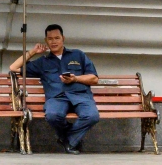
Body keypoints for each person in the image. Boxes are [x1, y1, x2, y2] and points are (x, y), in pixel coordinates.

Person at [10, 24, 99, 155]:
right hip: (56, 98)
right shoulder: (43, 62)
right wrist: (33, 52)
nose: (54, 41)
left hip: (80, 95)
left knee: (92, 116)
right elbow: (13, 67)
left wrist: (75, 79)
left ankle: (67, 140)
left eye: (57, 38)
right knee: (52, 115)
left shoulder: (78, 55)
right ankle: (72, 140)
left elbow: (94, 78)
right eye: (50, 39)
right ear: (46, 41)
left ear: (63, 38)